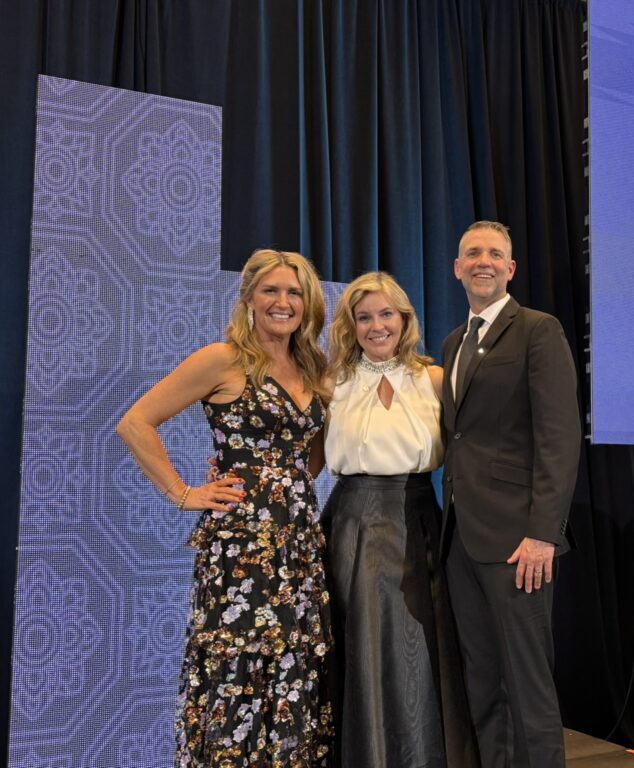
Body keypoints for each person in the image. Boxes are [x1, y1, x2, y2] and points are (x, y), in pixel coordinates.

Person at [116, 249, 333, 767]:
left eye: (295, 292)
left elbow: (314, 455)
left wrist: (287, 486)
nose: (283, 302)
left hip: (299, 544)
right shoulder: (223, 358)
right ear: (250, 298)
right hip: (241, 551)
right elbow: (135, 422)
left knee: (293, 669)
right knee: (238, 669)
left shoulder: (314, 366)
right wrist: (184, 493)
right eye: (271, 291)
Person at [322, 271, 478, 767]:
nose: (376, 326)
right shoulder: (332, 382)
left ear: (405, 318)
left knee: (424, 646)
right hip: (354, 523)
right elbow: (301, 456)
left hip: (420, 517)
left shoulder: (432, 377)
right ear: (350, 325)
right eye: (363, 317)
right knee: (363, 648)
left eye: (385, 313)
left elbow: (469, 452)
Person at [440, 221, 582, 767]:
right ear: (457, 268)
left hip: (520, 543)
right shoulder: (454, 342)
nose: (483, 261)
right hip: (463, 541)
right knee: (483, 681)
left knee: (528, 685)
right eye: (472, 253)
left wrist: (544, 533)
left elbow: (559, 437)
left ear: (510, 268)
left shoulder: (538, 331)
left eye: (494, 254)